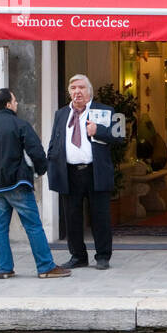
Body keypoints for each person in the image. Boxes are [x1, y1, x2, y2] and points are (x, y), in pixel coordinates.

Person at [0, 89, 69, 279]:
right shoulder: (19, 124)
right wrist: (41, 170)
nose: (17, 104)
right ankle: (46, 267)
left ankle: (4, 269)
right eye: (15, 100)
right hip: (17, 183)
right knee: (33, 226)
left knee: (0, 228)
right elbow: (36, 151)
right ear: (8, 104)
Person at [47, 74, 125, 270]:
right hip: (69, 172)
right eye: (73, 88)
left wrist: (98, 130)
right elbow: (55, 141)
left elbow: (120, 136)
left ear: (89, 91)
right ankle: (77, 256)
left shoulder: (105, 111)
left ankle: (103, 256)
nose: (77, 92)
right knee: (72, 217)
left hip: (95, 171)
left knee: (100, 216)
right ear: (69, 92)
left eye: (81, 87)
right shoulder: (61, 114)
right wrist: (51, 160)